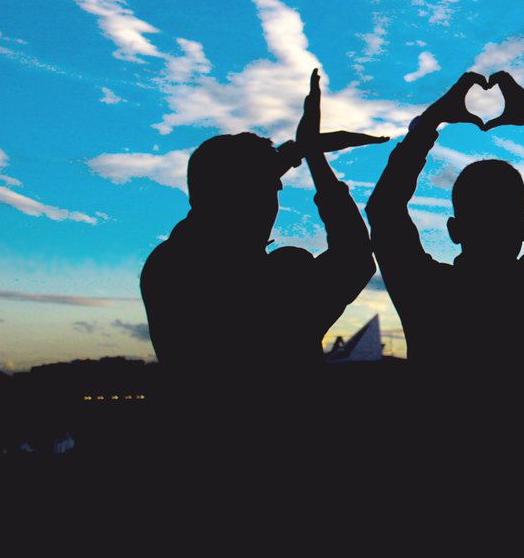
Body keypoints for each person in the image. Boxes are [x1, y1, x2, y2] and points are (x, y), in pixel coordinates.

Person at [365, 70, 524, 536]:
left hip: (442, 496)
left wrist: (431, 123)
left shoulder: (426, 290)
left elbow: (384, 208)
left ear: (453, 229)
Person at [139, 69, 381, 527]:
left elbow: (217, 205)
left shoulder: (168, 265)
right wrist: (315, 162)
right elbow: (355, 257)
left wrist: (292, 153)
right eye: (272, 189)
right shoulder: (277, 280)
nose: (276, 200)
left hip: (191, 484)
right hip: (284, 486)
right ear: (253, 196)